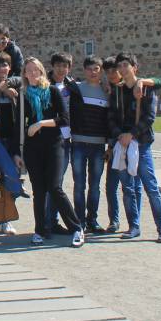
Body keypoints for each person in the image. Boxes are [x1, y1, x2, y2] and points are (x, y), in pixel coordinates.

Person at [18, 57, 81, 247]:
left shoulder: (52, 91)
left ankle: (77, 227)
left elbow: (64, 119)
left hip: (54, 143)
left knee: (54, 187)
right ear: (25, 74)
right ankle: (40, 230)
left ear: (41, 71)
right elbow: (19, 125)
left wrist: (40, 123)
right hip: (32, 147)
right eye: (28, 71)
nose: (32, 73)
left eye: (35, 70)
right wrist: (17, 152)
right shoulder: (23, 94)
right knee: (39, 190)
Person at [109, 53, 161, 244]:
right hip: (122, 144)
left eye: (127, 65)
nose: (123, 68)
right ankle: (133, 226)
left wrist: (132, 134)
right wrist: (120, 134)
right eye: (121, 65)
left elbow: (150, 117)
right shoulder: (117, 91)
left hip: (141, 143)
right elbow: (111, 117)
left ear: (135, 67)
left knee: (150, 187)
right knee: (127, 188)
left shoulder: (146, 89)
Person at [58, 55, 106, 237]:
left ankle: (92, 220)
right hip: (78, 142)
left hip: (98, 144)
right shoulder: (75, 89)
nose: (93, 72)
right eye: (89, 69)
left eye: (96, 69)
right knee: (79, 185)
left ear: (101, 71)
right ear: (84, 70)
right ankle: (79, 221)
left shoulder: (106, 91)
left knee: (95, 185)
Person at [0, 52, 20, 235]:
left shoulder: (17, 86)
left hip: (12, 140)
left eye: (4, 65)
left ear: (10, 67)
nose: (1, 68)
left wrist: (6, 88)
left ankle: (6, 219)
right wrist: (2, 88)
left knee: (9, 178)